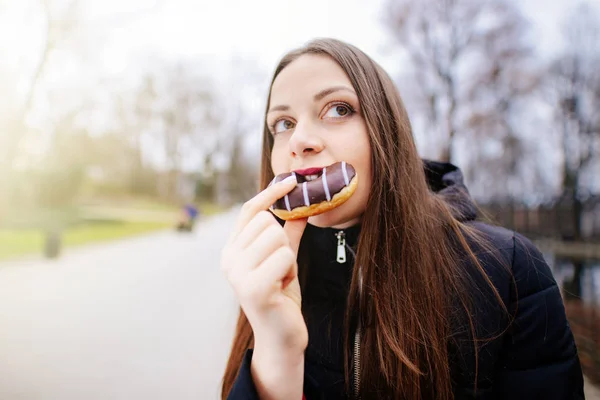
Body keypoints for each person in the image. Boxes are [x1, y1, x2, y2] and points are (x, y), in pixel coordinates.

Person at [220, 38, 584, 400]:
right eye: (283, 123)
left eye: (339, 109)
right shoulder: (272, 274)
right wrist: (276, 356)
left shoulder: (507, 270)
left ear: (387, 130)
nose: (299, 140)